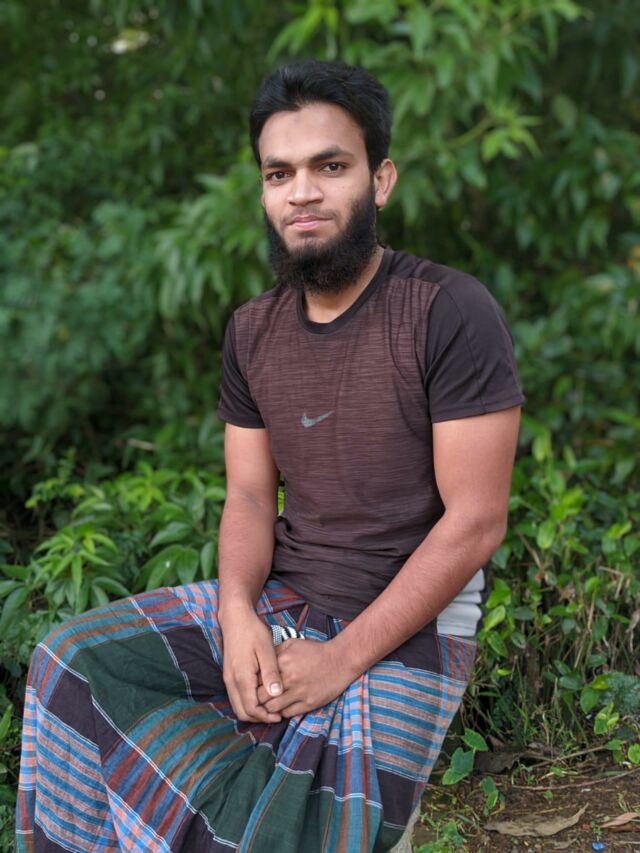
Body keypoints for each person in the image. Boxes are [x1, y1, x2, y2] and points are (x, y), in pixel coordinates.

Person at [16, 60, 524, 852]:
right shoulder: (252, 331)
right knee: (70, 665)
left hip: (413, 621)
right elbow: (250, 496)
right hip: (288, 594)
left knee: (281, 831)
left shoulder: (447, 310)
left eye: (331, 166)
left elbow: (477, 521)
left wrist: (340, 659)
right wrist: (237, 612)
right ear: (262, 191)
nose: (303, 192)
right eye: (279, 173)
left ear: (381, 180)